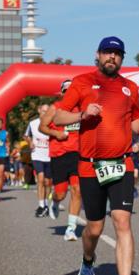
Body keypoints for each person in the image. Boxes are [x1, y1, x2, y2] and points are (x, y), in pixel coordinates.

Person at [54, 36, 139, 275]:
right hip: (90, 165)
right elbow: (58, 117)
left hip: (122, 164)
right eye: (107, 52)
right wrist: (81, 115)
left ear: (122, 58)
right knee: (95, 228)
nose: (112, 57)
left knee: (122, 221)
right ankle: (88, 262)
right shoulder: (82, 83)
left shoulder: (129, 87)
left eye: (117, 53)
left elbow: (134, 117)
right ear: (97, 55)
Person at [40, 80, 83, 240]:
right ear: (62, 93)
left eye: (73, 91)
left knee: (77, 190)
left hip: (78, 155)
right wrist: (56, 134)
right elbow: (42, 127)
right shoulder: (55, 108)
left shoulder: (81, 110)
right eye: (66, 91)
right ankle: (55, 202)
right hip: (59, 155)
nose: (69, 94)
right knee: (61, 193)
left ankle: (71, 229)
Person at [27, 105, 53, 216]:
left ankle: (46, 204)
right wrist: (30, 142)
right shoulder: (32, 124)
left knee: (48, 182)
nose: (45, 113)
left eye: (47, 111)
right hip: (37, 155)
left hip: (49, 156)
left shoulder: (53, 123)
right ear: (39, 111)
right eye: (43, 111)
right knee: (41, 179)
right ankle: (41, 205)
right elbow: (27, 135)